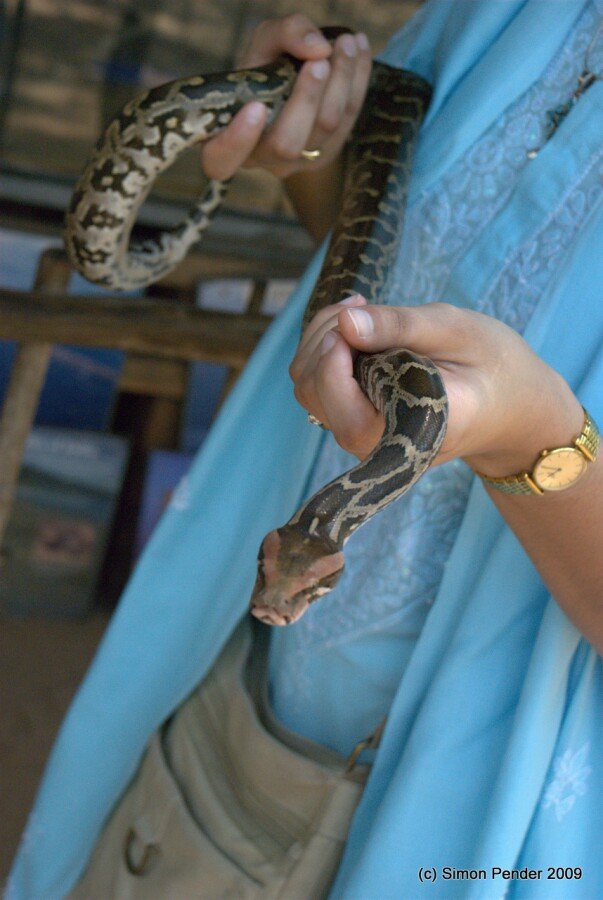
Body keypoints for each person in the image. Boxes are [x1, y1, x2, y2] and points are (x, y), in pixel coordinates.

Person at [8, 1, 602, 897]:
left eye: (282, 585)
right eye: (282, 580)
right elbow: (363, 232)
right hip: (243, 699)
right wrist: (310, 143)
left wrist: (530, 438)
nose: (273, 599)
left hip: (478, 803)